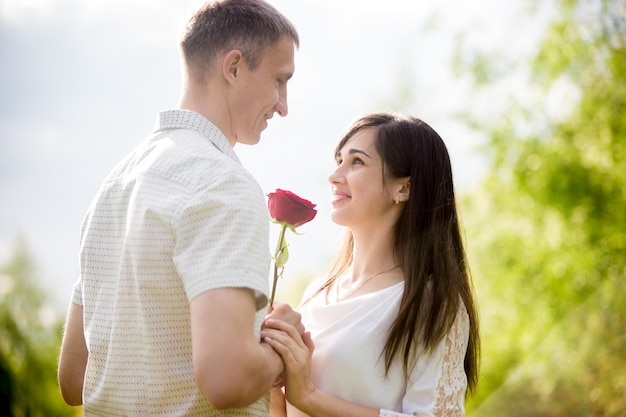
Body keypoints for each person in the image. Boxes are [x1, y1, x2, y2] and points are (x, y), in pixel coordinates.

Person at [57, 1, 302, 415]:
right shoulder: (224, 185)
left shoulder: (114, 185)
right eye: (279, 80)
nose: (283, 104)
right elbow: (228, 381)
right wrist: (280, 350)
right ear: (235, 67)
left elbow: (73, 379)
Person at [262, 112, 481, 416]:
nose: (334, 175)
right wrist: (275, 380)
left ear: (403, 189)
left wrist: (310, 397)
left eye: (357, 162)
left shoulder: (431, 304)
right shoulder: (318, 292)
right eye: (338, 159)